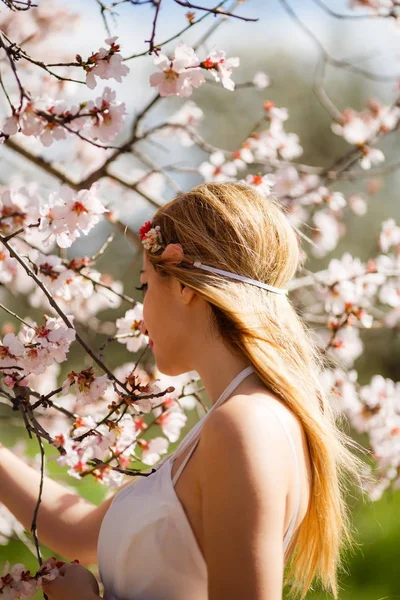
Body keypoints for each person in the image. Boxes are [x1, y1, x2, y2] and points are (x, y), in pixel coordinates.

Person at [0, 182, 362, 600]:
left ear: (185, 287)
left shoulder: (242, 426)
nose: (141, 310)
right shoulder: (236, 420)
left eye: (145, 286)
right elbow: (78, 531)